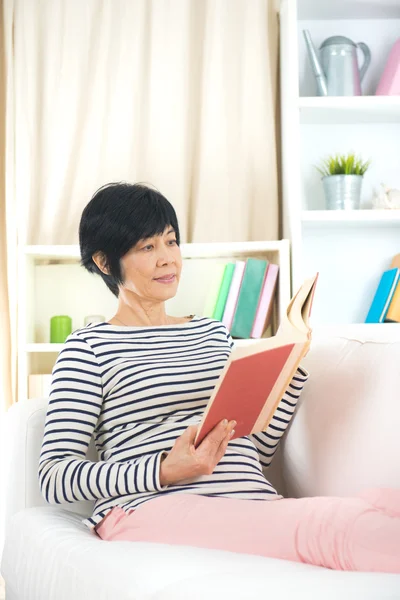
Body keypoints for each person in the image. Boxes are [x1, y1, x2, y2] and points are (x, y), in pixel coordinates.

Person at [38, 182, 400, 573]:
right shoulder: (88, 348)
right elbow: (56, 476)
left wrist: (290, 369)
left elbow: (255, 448)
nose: (167, 259)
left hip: (248, 502)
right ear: (105, 263)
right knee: (340, 529)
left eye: (171, 242)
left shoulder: (212, 332)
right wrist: (164, 468)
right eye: (147, 247)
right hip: (149, 508)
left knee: (385, 505)